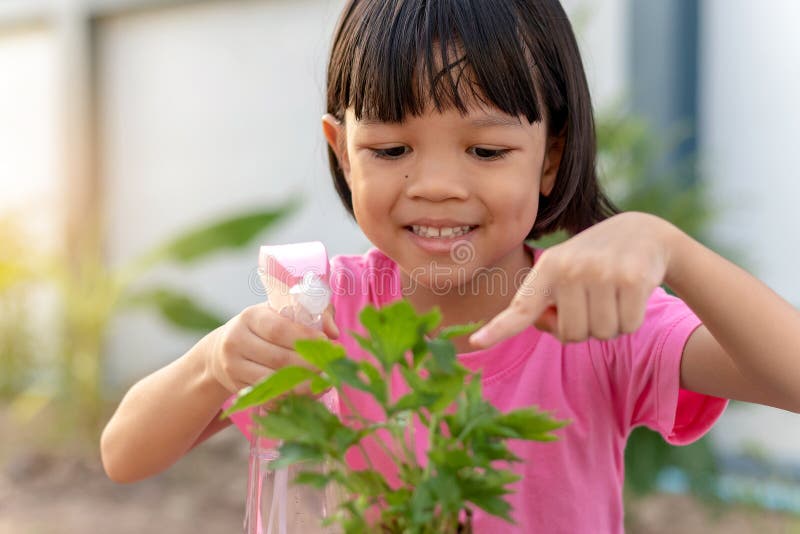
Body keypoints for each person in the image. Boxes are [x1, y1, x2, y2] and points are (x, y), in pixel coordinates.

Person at [100, 0, 800, 532]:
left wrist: (668, 245)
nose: (436, 185)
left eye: (486, 152)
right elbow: (124, 454)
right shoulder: (317, 309)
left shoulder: (593, 318)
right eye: (391, 150)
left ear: (551, 154)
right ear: (343, 151)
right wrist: (216, 362)